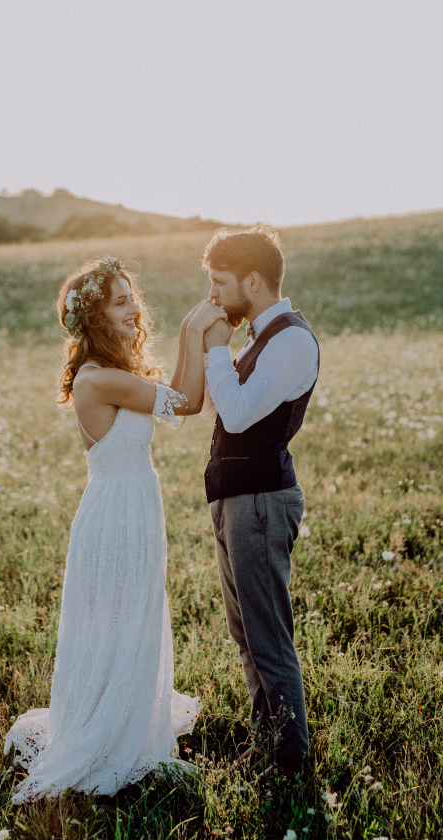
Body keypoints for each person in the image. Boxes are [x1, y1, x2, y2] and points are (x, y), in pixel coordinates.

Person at [4, 256, 219, 801]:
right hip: (115, 515)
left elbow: (175, 397)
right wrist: (194, 331)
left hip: (135, 506)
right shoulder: (97, 380)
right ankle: (108, 734)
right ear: (95, 316)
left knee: (136, 618)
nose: (134, 308)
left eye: (132, 298)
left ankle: (128, 720)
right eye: (120, 301)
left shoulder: (114, 375)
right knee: (119, 622)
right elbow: (188, 401)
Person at [179, 226, 320, 780]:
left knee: (267, 636)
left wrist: (217, 346)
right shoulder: (261, 337)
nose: (214, 296)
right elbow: (223, 413)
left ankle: (288, 765)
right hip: (237, 497)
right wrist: (208, 345)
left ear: (253, 280)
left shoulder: (290, 340)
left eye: (220, 283)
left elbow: (236, 416)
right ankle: (268, 745)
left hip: (262, 501)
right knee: (246, 636)